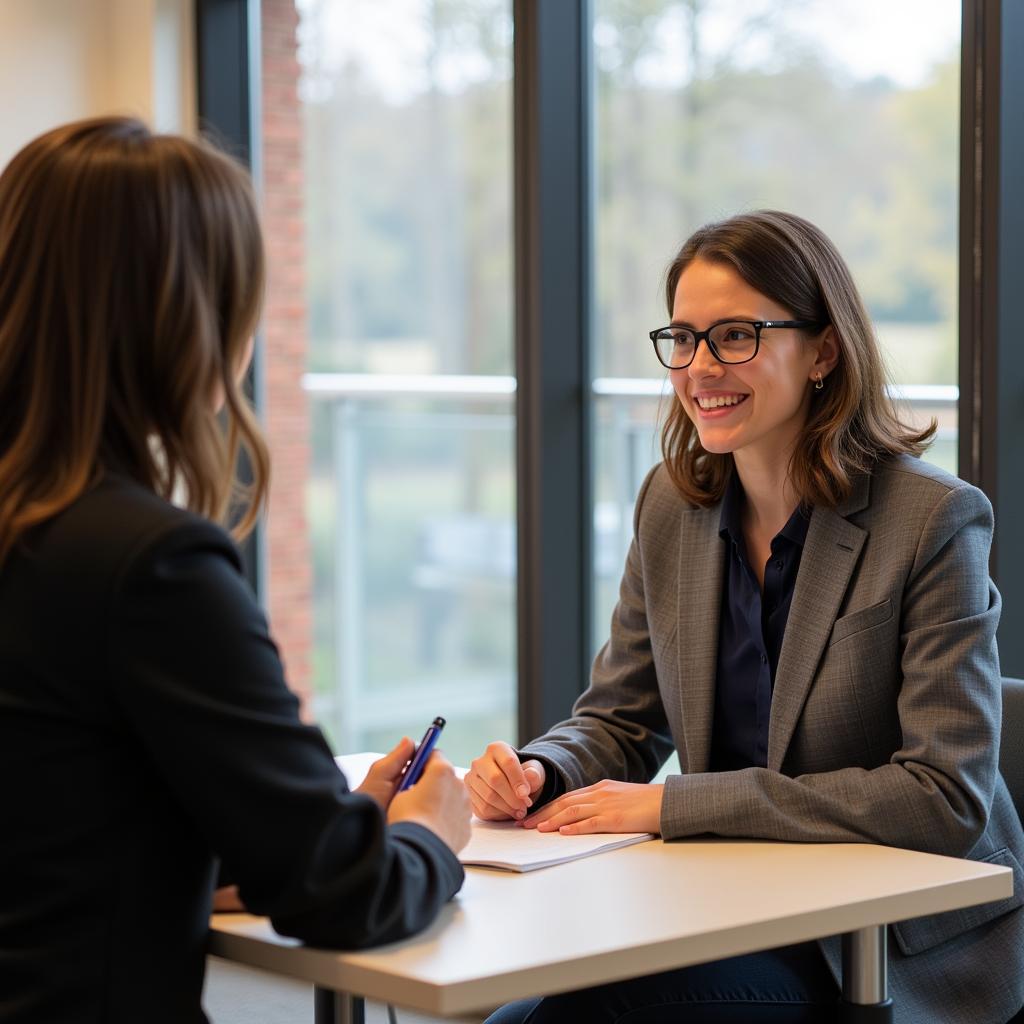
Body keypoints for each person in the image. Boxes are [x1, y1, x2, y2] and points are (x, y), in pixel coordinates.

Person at [467, 211, 1024, 1024]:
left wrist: (675, 805)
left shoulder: (932, 520)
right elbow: (620, 719)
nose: (700, 368)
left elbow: (943, 798)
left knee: (589, 1012)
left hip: (883, 944)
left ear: (824, 351)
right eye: (683, 339)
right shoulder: (672, 504)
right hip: (722, 906)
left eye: (735, 336)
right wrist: (541, 769)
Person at [0, 117, 472, 1024]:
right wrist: (425, 840)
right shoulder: (149, 565)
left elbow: (52, 817)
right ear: (191, 313)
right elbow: (341, 897)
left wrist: (281, 830)